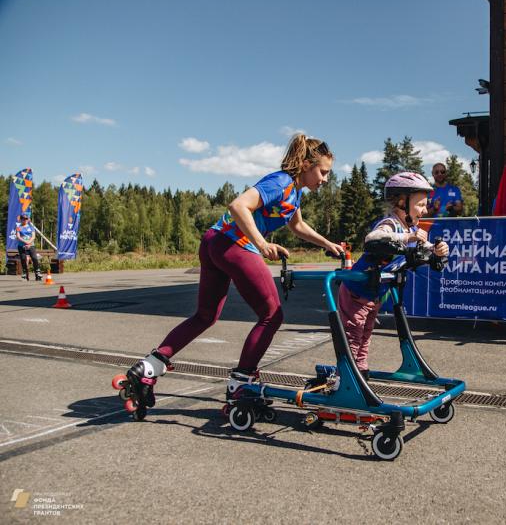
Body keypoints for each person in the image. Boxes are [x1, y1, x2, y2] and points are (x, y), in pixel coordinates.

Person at [122, 134, 344, 411]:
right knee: (272, 315)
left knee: (205, 315)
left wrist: (327, 244)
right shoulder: (281, 182)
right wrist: (262, 243)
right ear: (305, 164)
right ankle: (242, 382)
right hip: (234, 245)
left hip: (215, 241)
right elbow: (238, 205)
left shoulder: (295, 192)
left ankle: (150, 366)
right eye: (322, 172)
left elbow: (297, 226)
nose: (325, 179)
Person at [339, 172, 448, 380]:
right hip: (356, 290)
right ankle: (348, 377)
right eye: (421, 205)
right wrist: (408, 237)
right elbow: (373, 239)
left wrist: (439, 250)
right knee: (354, 335)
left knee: (366, 333)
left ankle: (360, 370)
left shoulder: (412, 229)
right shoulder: (390, 224)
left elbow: (427, 251)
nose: (425, 210)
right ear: (401, 202)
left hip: (374, 294)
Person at [15, 213, 42, 281]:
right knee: (23, 259)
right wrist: (25, 242)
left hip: (31, 246)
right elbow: (18, 236)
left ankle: (37, 272)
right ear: (21, 220)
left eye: (26, 219)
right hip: (22, 246)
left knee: (34, 258)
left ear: (28, 219)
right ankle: (25, 272)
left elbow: (33, 236)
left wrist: (29, 242)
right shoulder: (18, 227)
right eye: (23, 219)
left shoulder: (31, 227)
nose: (25, 220)